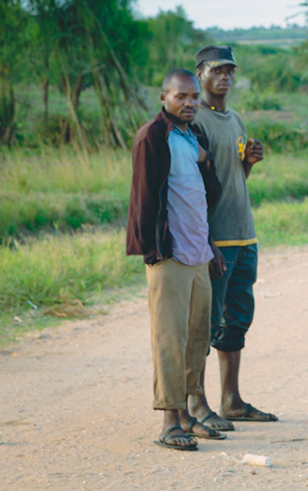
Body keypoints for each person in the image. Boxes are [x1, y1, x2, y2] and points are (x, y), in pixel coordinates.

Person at [126, 69, 227, 450]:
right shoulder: (154, 135)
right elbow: (143, 197)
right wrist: (153, 252)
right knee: (170, 338)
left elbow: (209, 196)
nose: (188, 103)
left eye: (192, 97)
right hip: (169, 254)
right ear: (163, 97)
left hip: (198, 253)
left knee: (196, 338)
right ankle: (170, 420)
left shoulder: (194, 135)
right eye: (180, 96)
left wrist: (205, 159)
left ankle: (187, 414)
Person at [187, 45, 276, 431]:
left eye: (230, 71)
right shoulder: (197, 121)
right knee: (206, 323)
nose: (225, 77)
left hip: (244, 234)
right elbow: (195, 187)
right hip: (216, 239)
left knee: (237, 320)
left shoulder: (234, 118)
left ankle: (231, 400)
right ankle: (196, 403)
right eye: (217, 71)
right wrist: (205, 243)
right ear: (200, 74)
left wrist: (248, 163)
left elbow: (232, 176)